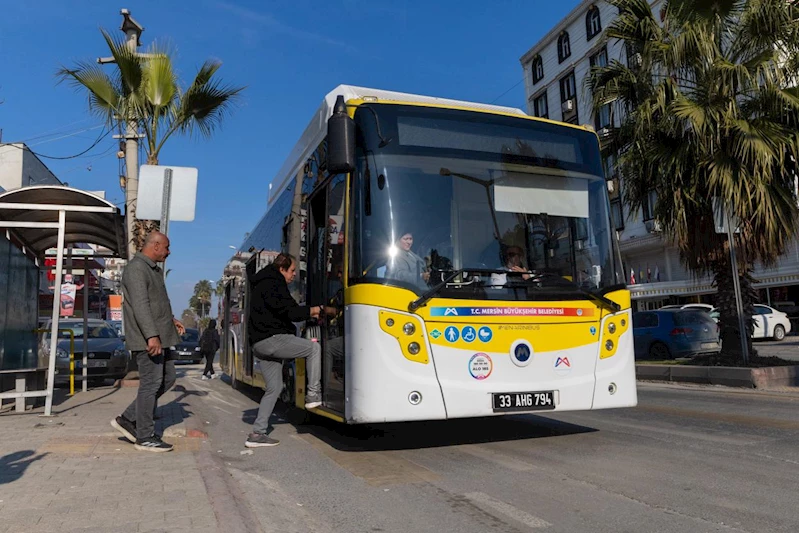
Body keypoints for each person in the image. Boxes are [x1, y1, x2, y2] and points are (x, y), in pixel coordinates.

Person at [245, 253, 331, 449]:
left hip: (259, 344)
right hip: (273, 340)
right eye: (292, 271)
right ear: (282, 269)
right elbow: (291, 312)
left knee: (274, 388)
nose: (294, 275)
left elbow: (281, 310)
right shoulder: (274, 283)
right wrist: (315, 310)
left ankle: (256, 434)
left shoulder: (261, 282)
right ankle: (313, 395)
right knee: (313, 348)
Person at [110, 231, 185, 453]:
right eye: (167, 247)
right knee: (151, 383)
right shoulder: (137, 269)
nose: (169, 252)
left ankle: (128, 419)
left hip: (160, 335)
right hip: (148, 339)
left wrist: (170, 320)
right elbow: (141, 305)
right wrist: (151, 336)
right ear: (155, 246)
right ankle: (144, 436)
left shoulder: (150, 269)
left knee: (168, 377)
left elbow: (153, 303)